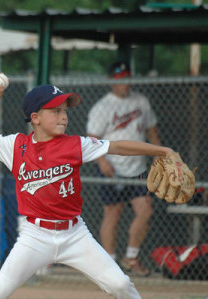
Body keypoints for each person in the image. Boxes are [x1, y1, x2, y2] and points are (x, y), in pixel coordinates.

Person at [0, 79, 176, 299]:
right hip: (35, 235)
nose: (63, 116)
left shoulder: (75, 144)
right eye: (55, 111)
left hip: (75, 234)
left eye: (65, 111)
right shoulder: (16, 146)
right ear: (35, 117)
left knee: (121, 284)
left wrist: (162, 151)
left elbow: (117, 147)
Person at [86, 61, 162, 276]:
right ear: (112, 82)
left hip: (137, 167)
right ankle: (110, 263)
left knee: (145, 210)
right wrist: (102, 161)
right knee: (112, 213)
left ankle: (131, 257)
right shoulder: (103, 106)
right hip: (112, 167)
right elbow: (92, 138)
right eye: (119, 80)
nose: (124, 84)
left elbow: (151, 130)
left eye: (127, 79)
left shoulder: (141, 101)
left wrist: (158, 155)